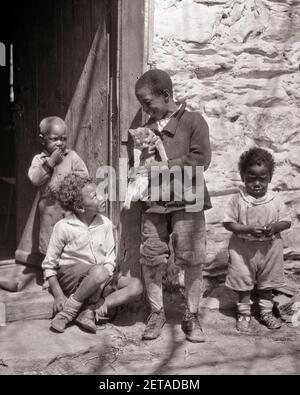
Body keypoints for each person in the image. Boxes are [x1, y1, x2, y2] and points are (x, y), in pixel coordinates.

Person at [134, 69, 212, 342]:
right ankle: (157, 312)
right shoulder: (145, 130)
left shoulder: (193, 121)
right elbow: (140, 167)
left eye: (147, 102)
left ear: (166, 95)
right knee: (152, 255)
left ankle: (192, 314)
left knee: (192, 258)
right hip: (155, 202)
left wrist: (166, 166)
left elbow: (201, 159)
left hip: (188, 199)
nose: (145, 109)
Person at [42, 173, 143, 333]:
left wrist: (102, 282)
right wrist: (58, 294)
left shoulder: (106, 224)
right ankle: (69, 311)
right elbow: (49, 265)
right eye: (94, 196)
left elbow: (110, 260)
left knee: (135, 286)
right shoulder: (64, 226)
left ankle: (90, 310)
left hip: (101, 278)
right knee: (98, 271)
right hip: (73, 279)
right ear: (81, 207)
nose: (102, 197)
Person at [223, 147, 291, 332]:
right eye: (251, 178)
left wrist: (274, 228)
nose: (257, 183)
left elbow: (286, 221)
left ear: (270, 177)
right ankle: (244, 312)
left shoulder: (275, 200)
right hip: (242, 249)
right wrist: (248, 229)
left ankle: (266, 312)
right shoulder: (238, 200)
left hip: (270, 248)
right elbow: (228, 224)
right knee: (243, 281)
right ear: (243, 176)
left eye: (263, 178)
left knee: (267, 282)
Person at [28, 116, 89, 255]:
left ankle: (67, 275)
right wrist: (51, 162)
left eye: (63, 139)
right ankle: (49, 275)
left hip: (69, 211)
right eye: (54, 139)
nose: (60, 143)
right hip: (49, 214)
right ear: (42, 138)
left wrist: (64, 184)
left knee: (69, 248)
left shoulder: (72, 156)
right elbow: (35, 179)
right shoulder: (39, 159)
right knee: (49, 250)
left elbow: (84, 177)